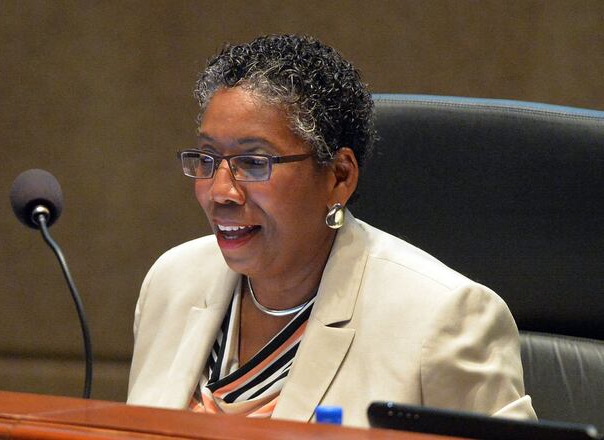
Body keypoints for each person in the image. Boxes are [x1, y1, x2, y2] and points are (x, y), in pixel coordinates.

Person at [127, 34, 536, 427]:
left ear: (339, 176)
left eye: (253, 162)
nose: (220, 191)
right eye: (207, 158)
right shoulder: (172, 282)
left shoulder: (443, 317)